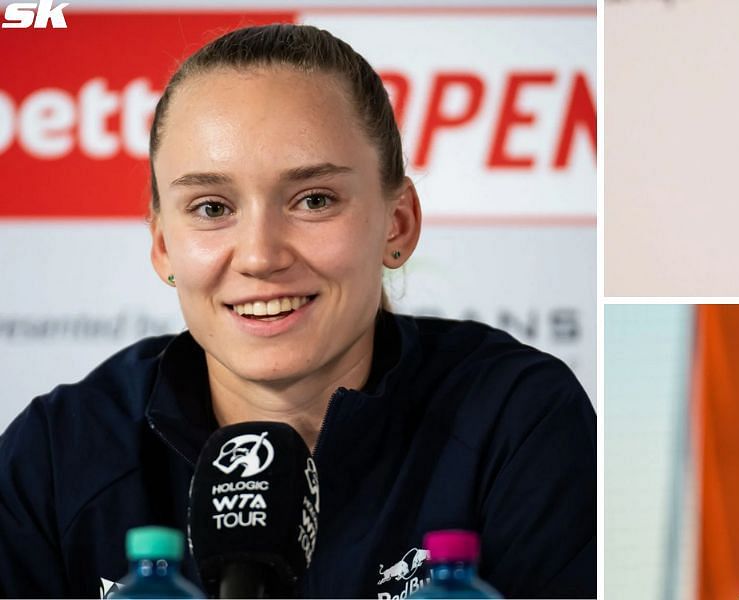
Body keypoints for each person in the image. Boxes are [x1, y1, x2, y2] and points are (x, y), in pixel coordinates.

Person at [0, 24, 596, 599]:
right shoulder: (56, 457)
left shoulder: (518, 420)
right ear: (163, 246)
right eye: (211, 208)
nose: (260, 256)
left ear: (399, 223)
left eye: (314, 200)